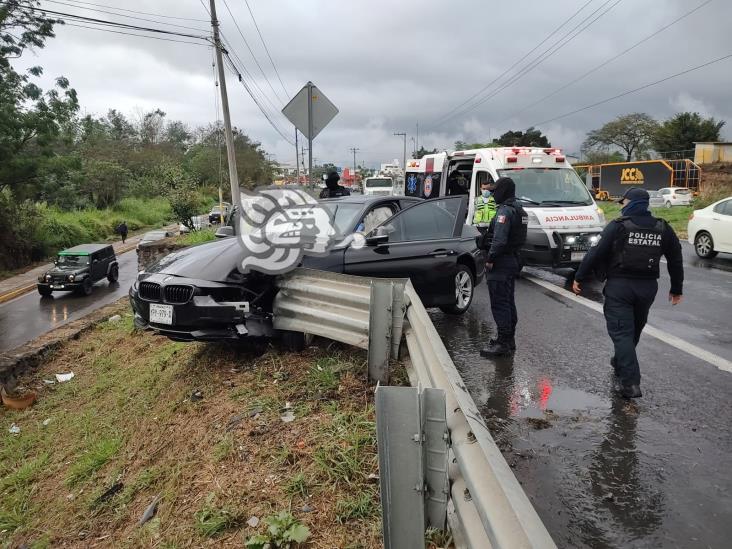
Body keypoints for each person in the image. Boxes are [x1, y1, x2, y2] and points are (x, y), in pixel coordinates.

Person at [572, 187, 684, 399]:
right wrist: (676, 288)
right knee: (633, 331)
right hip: (647, 288)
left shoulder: (618, 226)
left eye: (623, 202)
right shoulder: (663, 227)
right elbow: (675, 259)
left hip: (620, 287)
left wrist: (579, 276)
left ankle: (630, 383)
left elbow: (595, 252)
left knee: (623, 333)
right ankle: (621, 360)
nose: (621, 206)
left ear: (630, 203)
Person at [480, 177, 528, 357]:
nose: (492, 195)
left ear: (504, 191)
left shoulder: (505, 212)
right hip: (513, 260)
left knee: (500, 303)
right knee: (508, 302)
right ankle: (509, 340)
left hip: (501, 262)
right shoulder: (520, 210)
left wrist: (490, 258)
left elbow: (499, 241)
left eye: (495, 191)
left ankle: (503, 343)